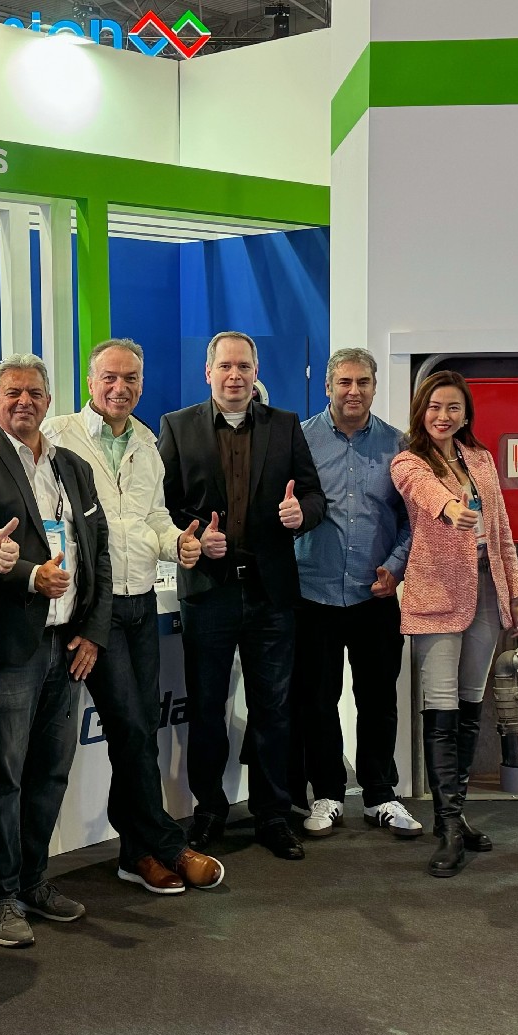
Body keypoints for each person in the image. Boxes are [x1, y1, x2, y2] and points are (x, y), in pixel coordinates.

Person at [0, 355, 112, 947]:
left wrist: (94, 628)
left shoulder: (72, 466)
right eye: (12, 392)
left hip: (67, 644)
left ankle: (35, 881)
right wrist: (32, 577)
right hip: (3, 648)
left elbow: (98, 551)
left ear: (49, 400)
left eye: (35, 393)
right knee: (3, 779)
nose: (24, 402)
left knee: (50, 774)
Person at [42, 339, 223, 895]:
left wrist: (179, 544)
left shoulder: (146, 441)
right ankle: (165, 844)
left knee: (139, 728)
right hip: (94, 606)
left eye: (131, 379)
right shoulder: (59, 436)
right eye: (110, 377)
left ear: (142, 384)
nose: (120, 388)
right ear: (90, 381)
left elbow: (154, 518)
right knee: (132, 729)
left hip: (141, 599)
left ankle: (134, 854)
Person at [158, 331, 326, 860]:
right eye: (226, 366)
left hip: (270, 592)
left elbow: (314, 495)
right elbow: (161, 505)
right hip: (209, 592)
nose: (235, 375)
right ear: (208, 372)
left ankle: (272, 814)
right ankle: (209, 810)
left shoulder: (285, 425)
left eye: (244, 366)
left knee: (273, 709)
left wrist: (302, 515)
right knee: (207, 708)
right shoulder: (177, 426)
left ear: (256, 373)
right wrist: (190, 536)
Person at [391, 372, 518, 877]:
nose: (443, 416)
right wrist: (451, 508)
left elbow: (502, 530)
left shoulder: (481, 459)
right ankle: (448, 826)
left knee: (471, 703)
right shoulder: (409, 461)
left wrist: (516, 591)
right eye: (434, 407)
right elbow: (426, 493)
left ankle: (456, 813)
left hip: (488, 591)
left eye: (452, 407)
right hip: (437, 594)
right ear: (421, 412)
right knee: (441, 706)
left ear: (466, 413)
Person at [292, 346, 419, 839]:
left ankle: (380, 795)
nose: (353, 391)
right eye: (344, 382)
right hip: (313, 593)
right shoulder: (299, 441)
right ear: (327, 387)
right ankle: (326, 793)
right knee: (317, 700)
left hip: (376, 595)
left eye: (362, 382)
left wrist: (396, 568)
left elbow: (412, 521)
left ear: (373, 387)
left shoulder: (399, 445)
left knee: (378, 699)